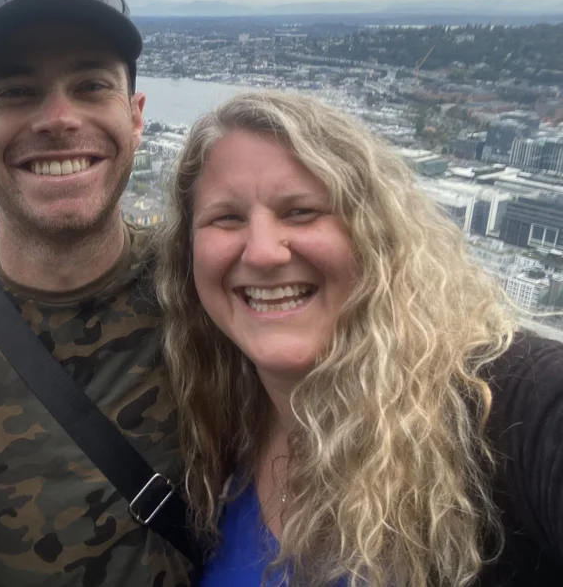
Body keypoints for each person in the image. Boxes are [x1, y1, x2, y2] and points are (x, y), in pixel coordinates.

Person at [154, 91, 563, 586]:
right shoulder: (216, 430)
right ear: (189, 255)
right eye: (226, 218)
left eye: (301, 211)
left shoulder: (506, 407)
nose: (262, 253)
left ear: (373, 234)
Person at [0, 0, 195, 586]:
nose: (60, 118)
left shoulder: (205, 294)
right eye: (15, 92)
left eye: (92, 85)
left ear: (136, 116)